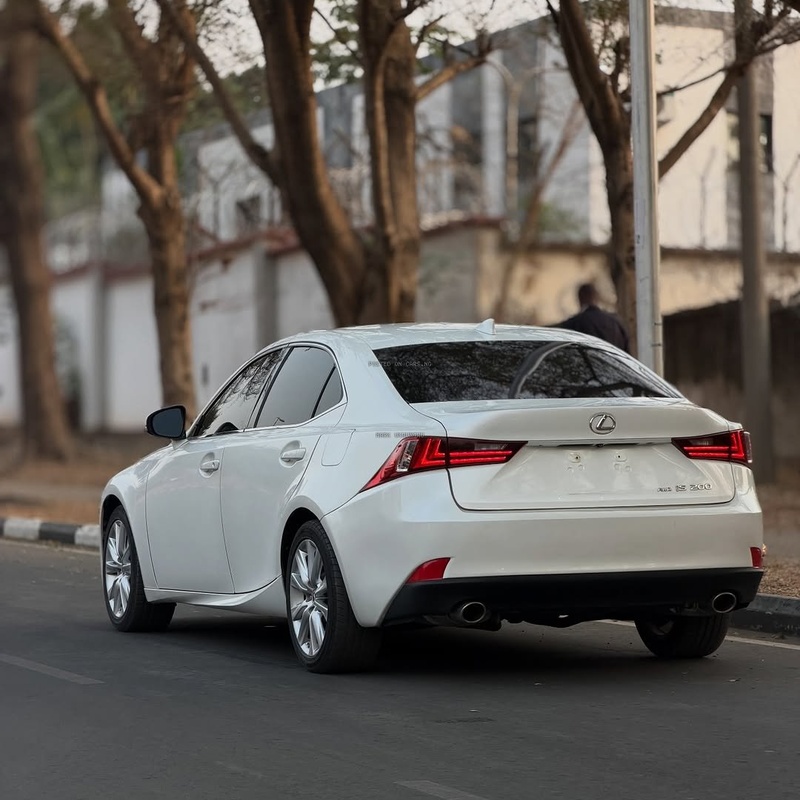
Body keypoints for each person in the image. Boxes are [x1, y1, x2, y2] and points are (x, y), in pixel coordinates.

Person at [557, 282, 630, 352]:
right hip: (615, 364)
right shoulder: (616, 322)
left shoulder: (576, 323)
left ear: (580, 298)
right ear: (597, 298)